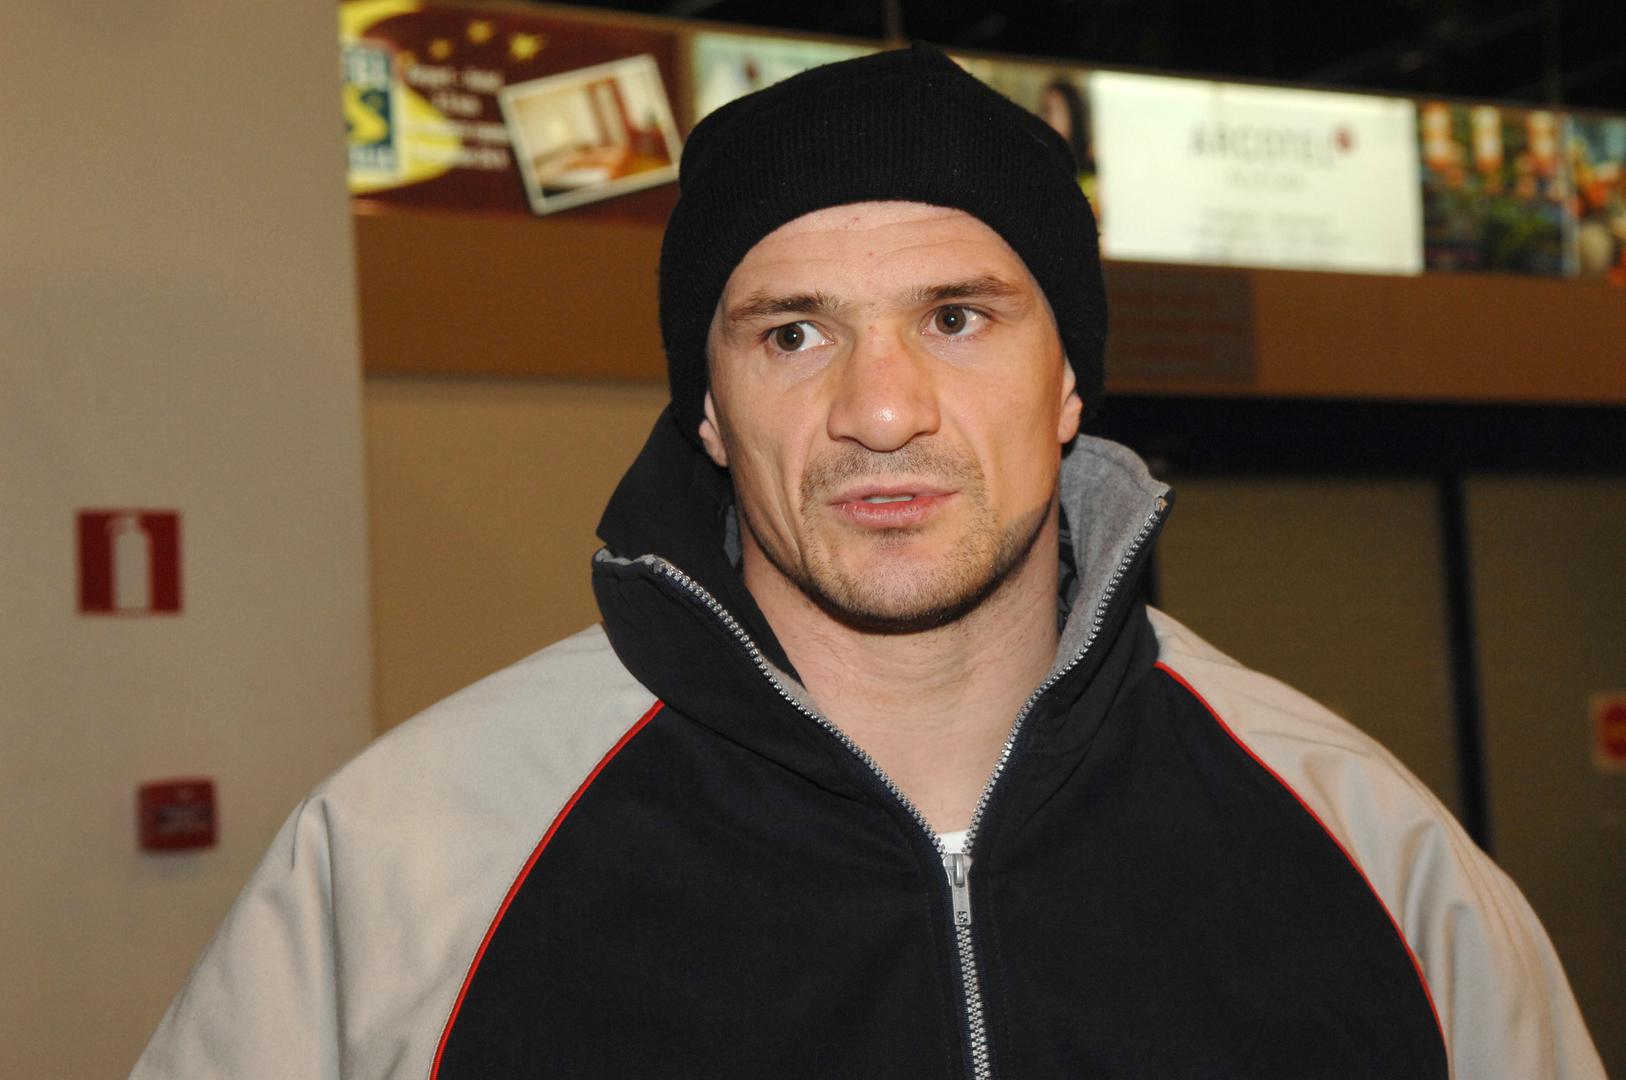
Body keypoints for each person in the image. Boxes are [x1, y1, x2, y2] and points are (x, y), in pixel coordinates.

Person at [132, 44, 1603, 1079]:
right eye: (793, 332)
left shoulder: (1373, 851)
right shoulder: (407, 868)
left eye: (957, 318)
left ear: (1069, 384)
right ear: (710, 411)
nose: (881, 409)